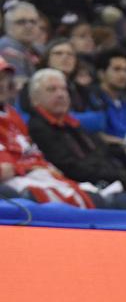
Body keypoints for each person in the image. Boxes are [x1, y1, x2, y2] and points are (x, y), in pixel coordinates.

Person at [0, 55, 93, 208]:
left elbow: (32, 152)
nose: (3, 85)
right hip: (17, 182)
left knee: (81, 195)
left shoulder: (12, 114)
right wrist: (25, 167)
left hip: (33, 174)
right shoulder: (37, 124)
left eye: (4, 79)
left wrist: (39, 166)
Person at [26, 67, 126, 190]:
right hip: (78, 188)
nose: (60, 94)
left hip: (104, 181)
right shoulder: (39, 127)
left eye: (64, 89)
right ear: (35, 99)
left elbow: (100, 153)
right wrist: (114, 175)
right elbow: (68, 167)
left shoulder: (72, 123)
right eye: (52, 90)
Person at [16, 38, 103, 132]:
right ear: (47, 59)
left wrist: (57, 117)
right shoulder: (30, 87)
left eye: (70, 54)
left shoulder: (82, 90)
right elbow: (26, 120)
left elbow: (99, 120)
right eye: (58, 53)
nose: (65, 57)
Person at [90, 46, 126, 145]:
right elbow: (93, 134)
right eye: (117, 69)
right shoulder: (92, 99)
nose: (123, 75)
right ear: (101, 74)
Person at [0, 1, 43, 84]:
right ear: (8, 26)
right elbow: (20, 85)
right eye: (21, 22)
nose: (29, 26)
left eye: (33, 21)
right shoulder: (6, 47)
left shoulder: (39, 48)